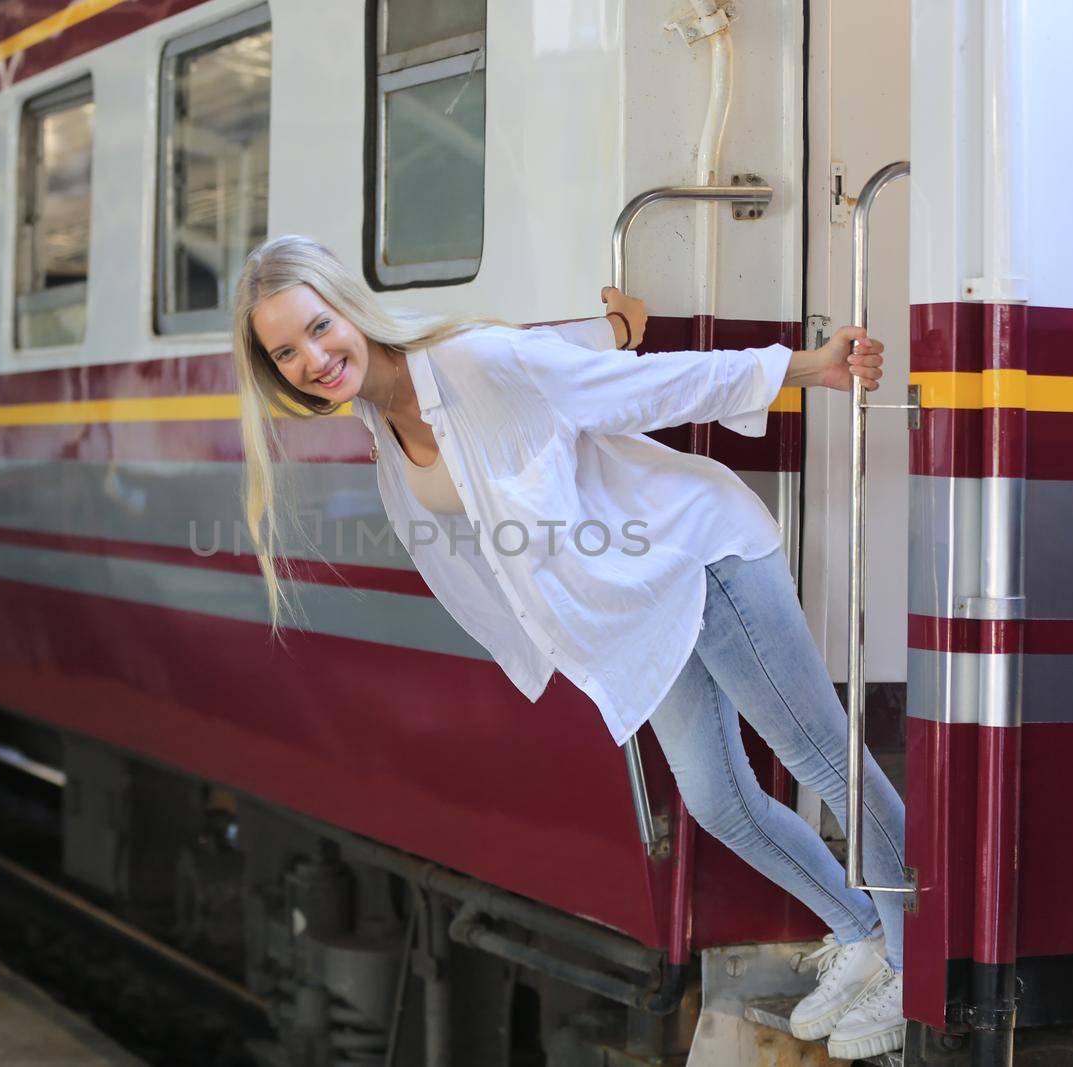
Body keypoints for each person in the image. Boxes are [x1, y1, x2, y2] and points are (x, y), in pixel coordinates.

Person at [229, 234, 908, 1060]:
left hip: (698, 554)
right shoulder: (381, 415)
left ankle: (916, 962)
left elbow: (633, 390)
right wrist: (611, 331)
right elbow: (556, 365)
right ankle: (863, 928)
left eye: (318, 327)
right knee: (719, 801)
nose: (313, 357)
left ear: (351, 309)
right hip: (631, 604)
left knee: (821, 755)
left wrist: (803, 367)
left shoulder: (467, 362)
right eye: (286, 352)